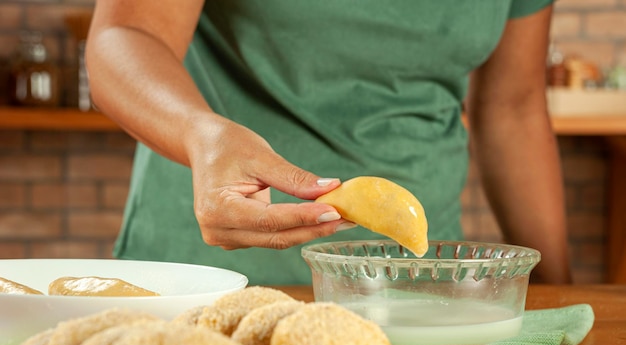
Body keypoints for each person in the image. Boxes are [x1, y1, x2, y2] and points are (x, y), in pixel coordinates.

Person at [86, 1, 573, 285]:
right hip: (209, 274)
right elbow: (124, 35)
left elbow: (514, 106)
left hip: (417, 283)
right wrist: (200, 132)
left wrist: (557, 291)